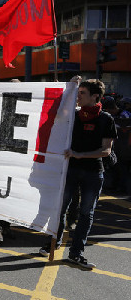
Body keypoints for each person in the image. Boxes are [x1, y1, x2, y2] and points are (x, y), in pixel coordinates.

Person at [38, 78, 116, 270]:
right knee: (60, 208)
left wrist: (80, 155)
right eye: (78, 92)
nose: (78, 96)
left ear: (95, 96)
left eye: (82, 93)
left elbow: (106, 150)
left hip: (93, 173)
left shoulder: (106, 119)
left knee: (85, 213)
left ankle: (76, 253)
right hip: (70, 169)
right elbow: (53, 111)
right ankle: (52, 243)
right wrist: (66, 86)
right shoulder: (73, 115)